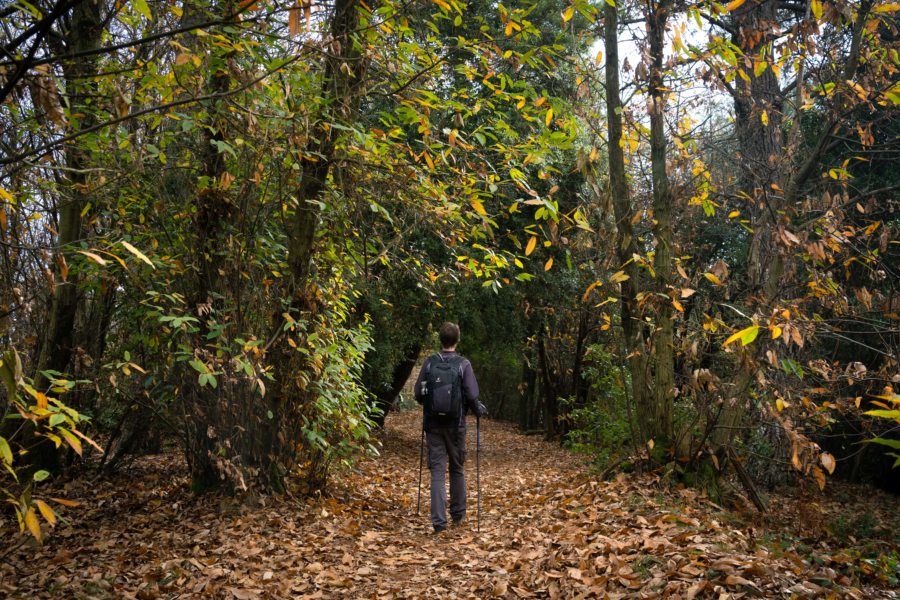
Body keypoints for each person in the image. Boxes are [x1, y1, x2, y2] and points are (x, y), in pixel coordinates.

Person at [414, 322, 486, 533]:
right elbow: (472, 395)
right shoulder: (463, 365)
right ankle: (458, 516)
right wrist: (478, 409)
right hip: (456, 426)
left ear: (440, 340)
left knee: (437, 471)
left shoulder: (429, 363)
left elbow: (418, 394)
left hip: (433, 425)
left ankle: (438, 522)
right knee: (457, 468)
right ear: (457, 339)